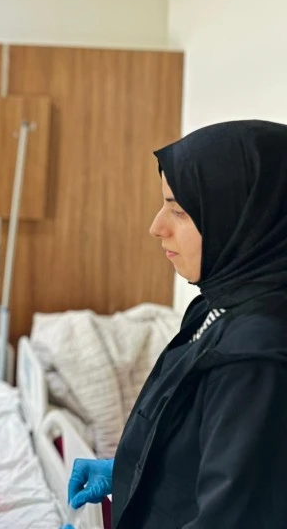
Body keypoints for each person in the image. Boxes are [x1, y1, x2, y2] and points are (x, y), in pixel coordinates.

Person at [66, 120, 287, 528]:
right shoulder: (213, 307)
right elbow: (198, 443)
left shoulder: (255, 360)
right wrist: (129, 469)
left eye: (179, 211)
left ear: (241, 217)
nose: (157, 227)